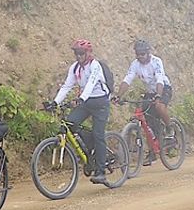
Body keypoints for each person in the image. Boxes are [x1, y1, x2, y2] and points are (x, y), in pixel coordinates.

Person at [50, 39, 112, 185]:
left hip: (100, 102)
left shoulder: (95, 66)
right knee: (70, 124)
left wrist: (81, 98)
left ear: (88, 53)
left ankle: (101, 172)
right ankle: (89, 151)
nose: (78, 56)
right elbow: (67, 86)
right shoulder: (75, 68)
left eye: (81, 53)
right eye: (76, 53)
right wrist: (55, 102)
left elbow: (90, 84)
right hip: (86, 102)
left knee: (98, 134)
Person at [122, 39, 172, 163]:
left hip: (163, 88)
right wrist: (118, 95)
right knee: (147, 124)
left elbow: (160, 79)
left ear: (148, 52)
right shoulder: (135, 64)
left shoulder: (156, 61)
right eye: (137, 54)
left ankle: (170, 129)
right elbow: (127, 80)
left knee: (159, 106)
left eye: (142, 54)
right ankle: (152, 152)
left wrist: (159, 95)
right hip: (150, 92)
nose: (140, 56)